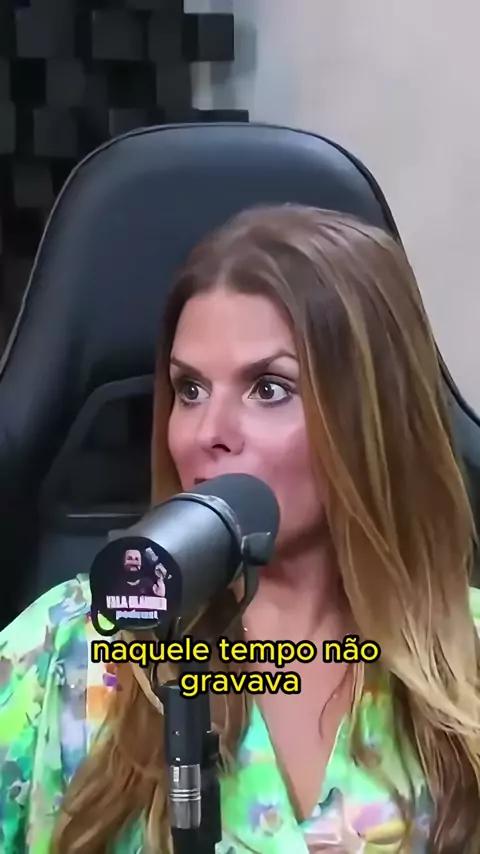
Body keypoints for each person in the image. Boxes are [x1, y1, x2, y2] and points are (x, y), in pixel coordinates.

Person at [0, 205, 479, 854]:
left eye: (269, 388)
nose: (207, 433)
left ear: (372, 418)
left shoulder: (468, 656)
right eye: (190, 390)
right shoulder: (65, 649)